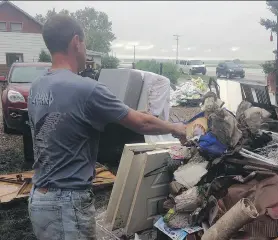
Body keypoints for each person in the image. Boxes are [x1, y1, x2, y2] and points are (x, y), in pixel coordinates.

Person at [27, 14, 186, 240]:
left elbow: (74, 120)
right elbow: (141, 123)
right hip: (67, 204)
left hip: (40, 198)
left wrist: (136, 114)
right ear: (76, 42)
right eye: (85, 42)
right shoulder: (86, 89)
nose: (86, 48)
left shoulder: (38, 85)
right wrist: (177, 128)